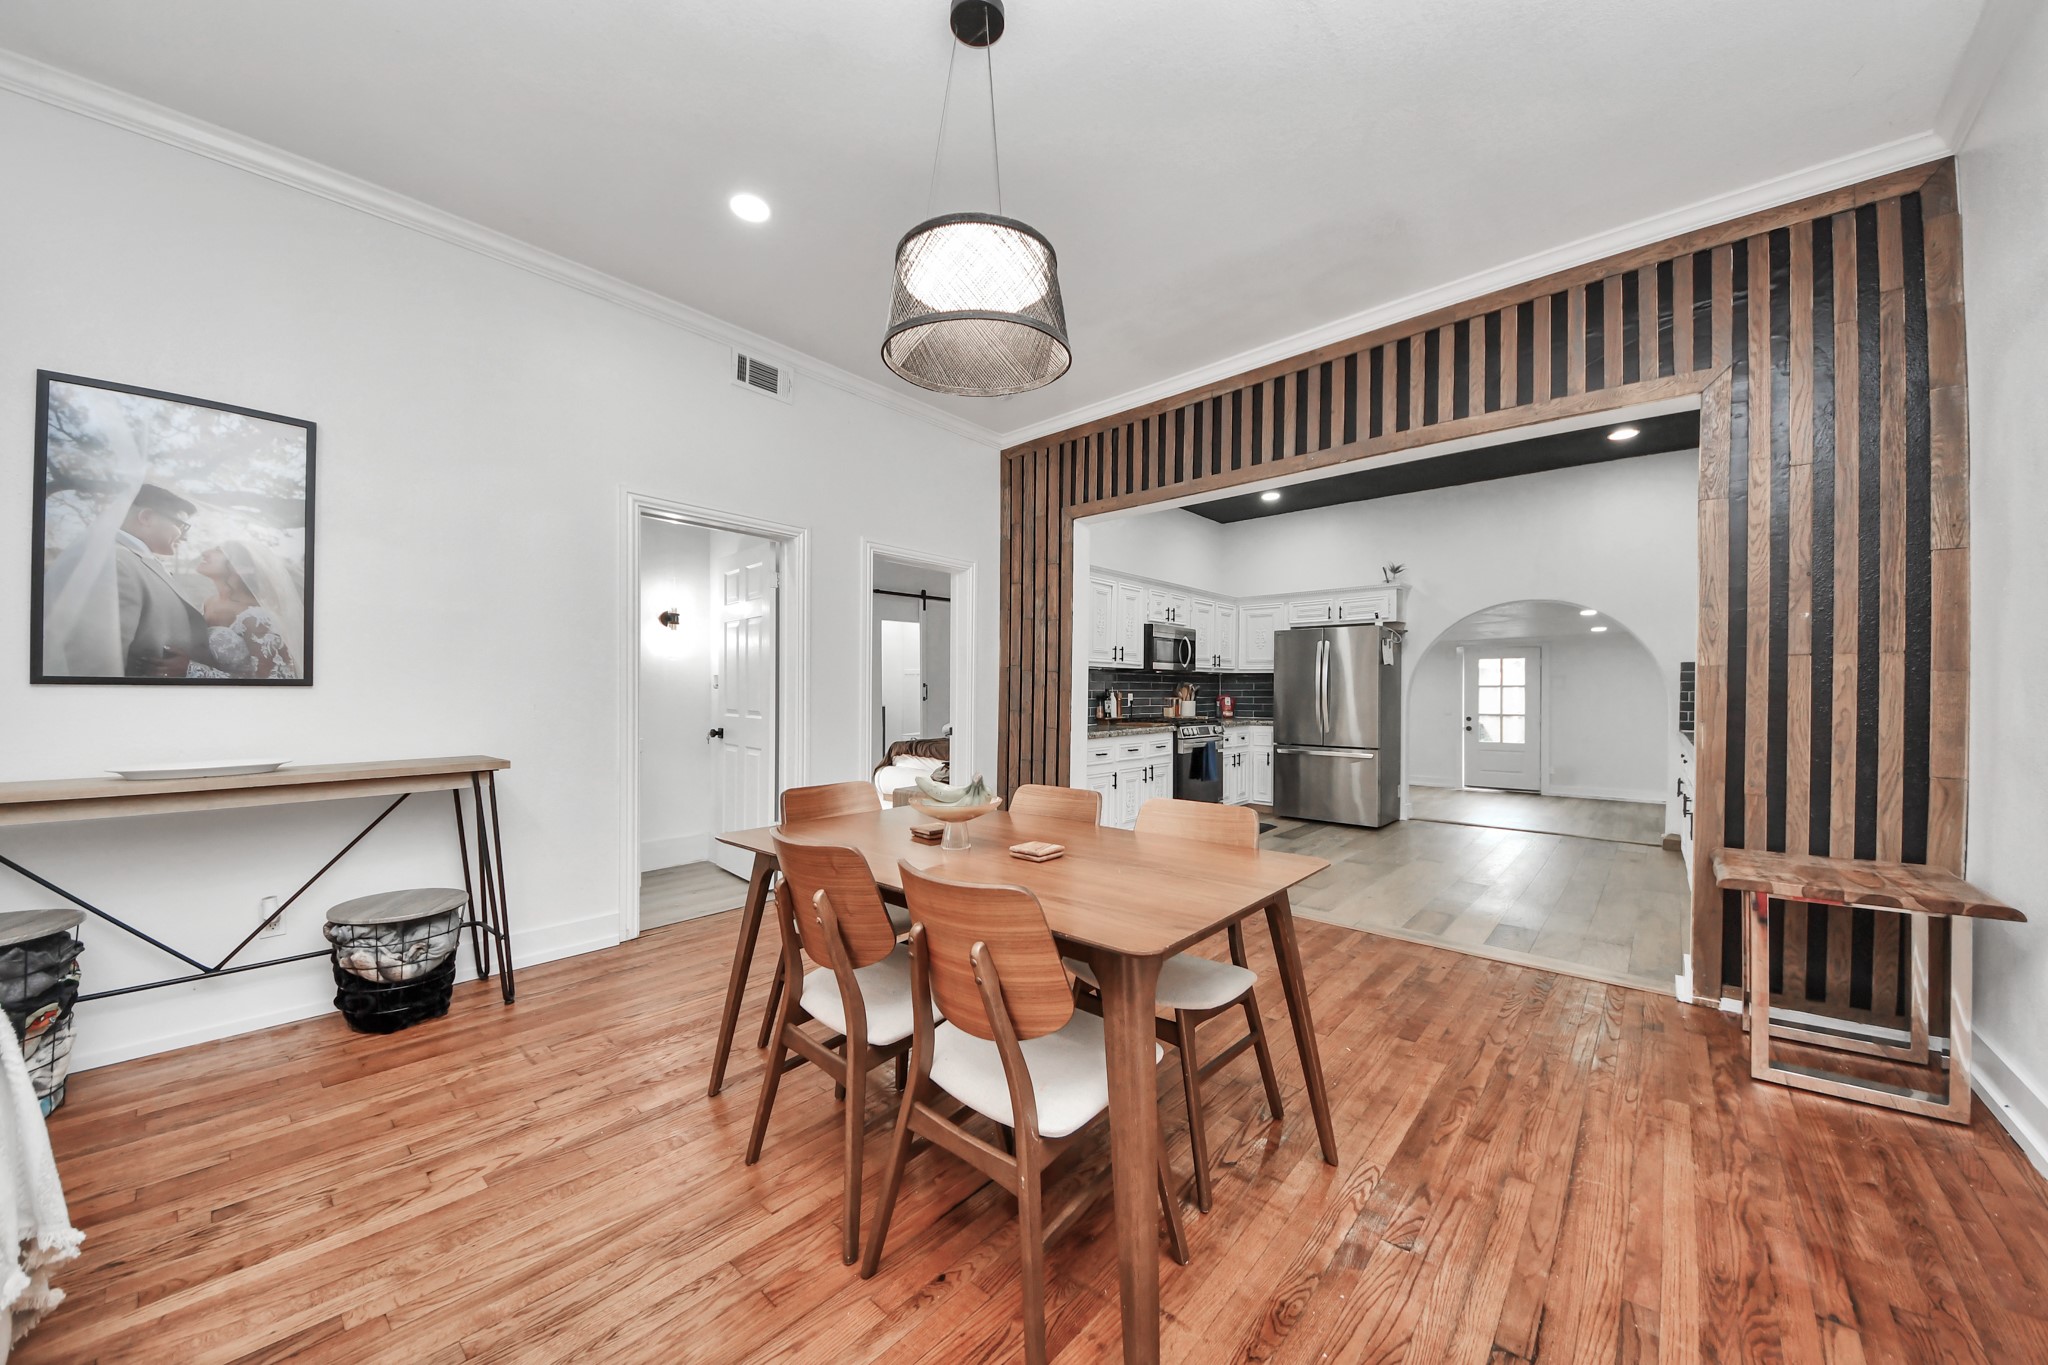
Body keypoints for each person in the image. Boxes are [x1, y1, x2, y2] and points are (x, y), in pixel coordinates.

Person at [112, 484, 215, 678]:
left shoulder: (135, 561)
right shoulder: (118, 563)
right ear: (146, 517)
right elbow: (105, 653)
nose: (185, 538)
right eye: (182, 526)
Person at [184, 539, 304, 680]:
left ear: (240, 567)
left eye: (219, 550)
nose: (204, 553)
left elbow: (271, 681)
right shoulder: (208, 602)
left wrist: (189, 669)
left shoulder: (257, 618)